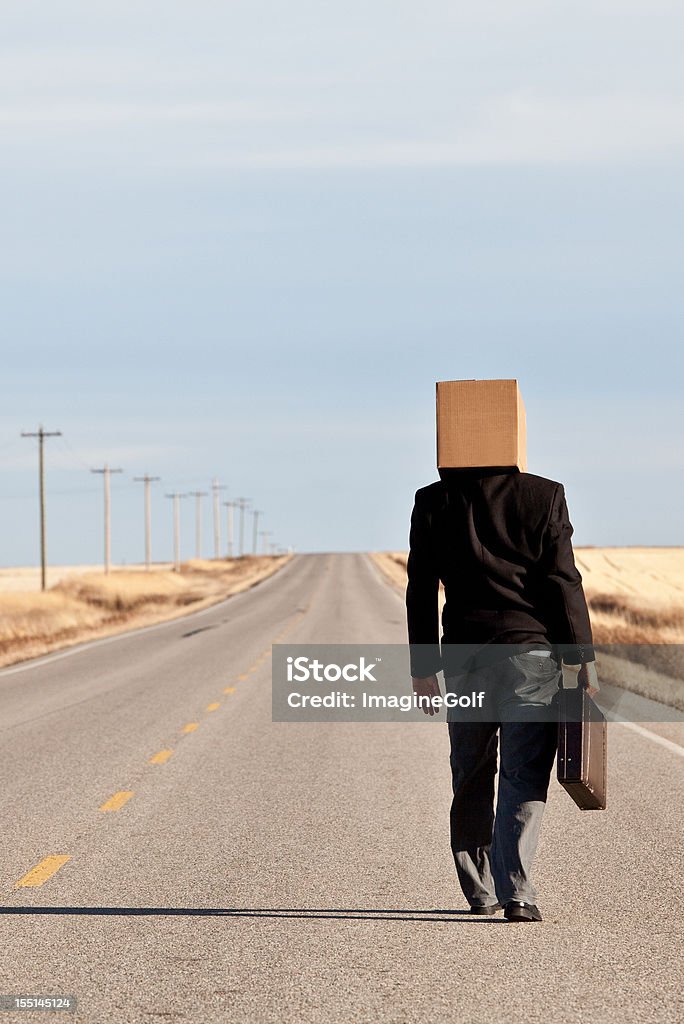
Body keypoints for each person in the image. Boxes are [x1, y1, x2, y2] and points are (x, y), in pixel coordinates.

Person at [406, 464, 598, 922]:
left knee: (470, 772)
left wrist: (423, 667)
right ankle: (518, 894)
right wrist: (582, 657)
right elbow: (563, 579)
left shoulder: (434, 499)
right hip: (530, 658)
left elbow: (420, 587)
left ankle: (480, 890)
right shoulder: (544, 495)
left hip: (464, 661)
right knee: (523, 772)